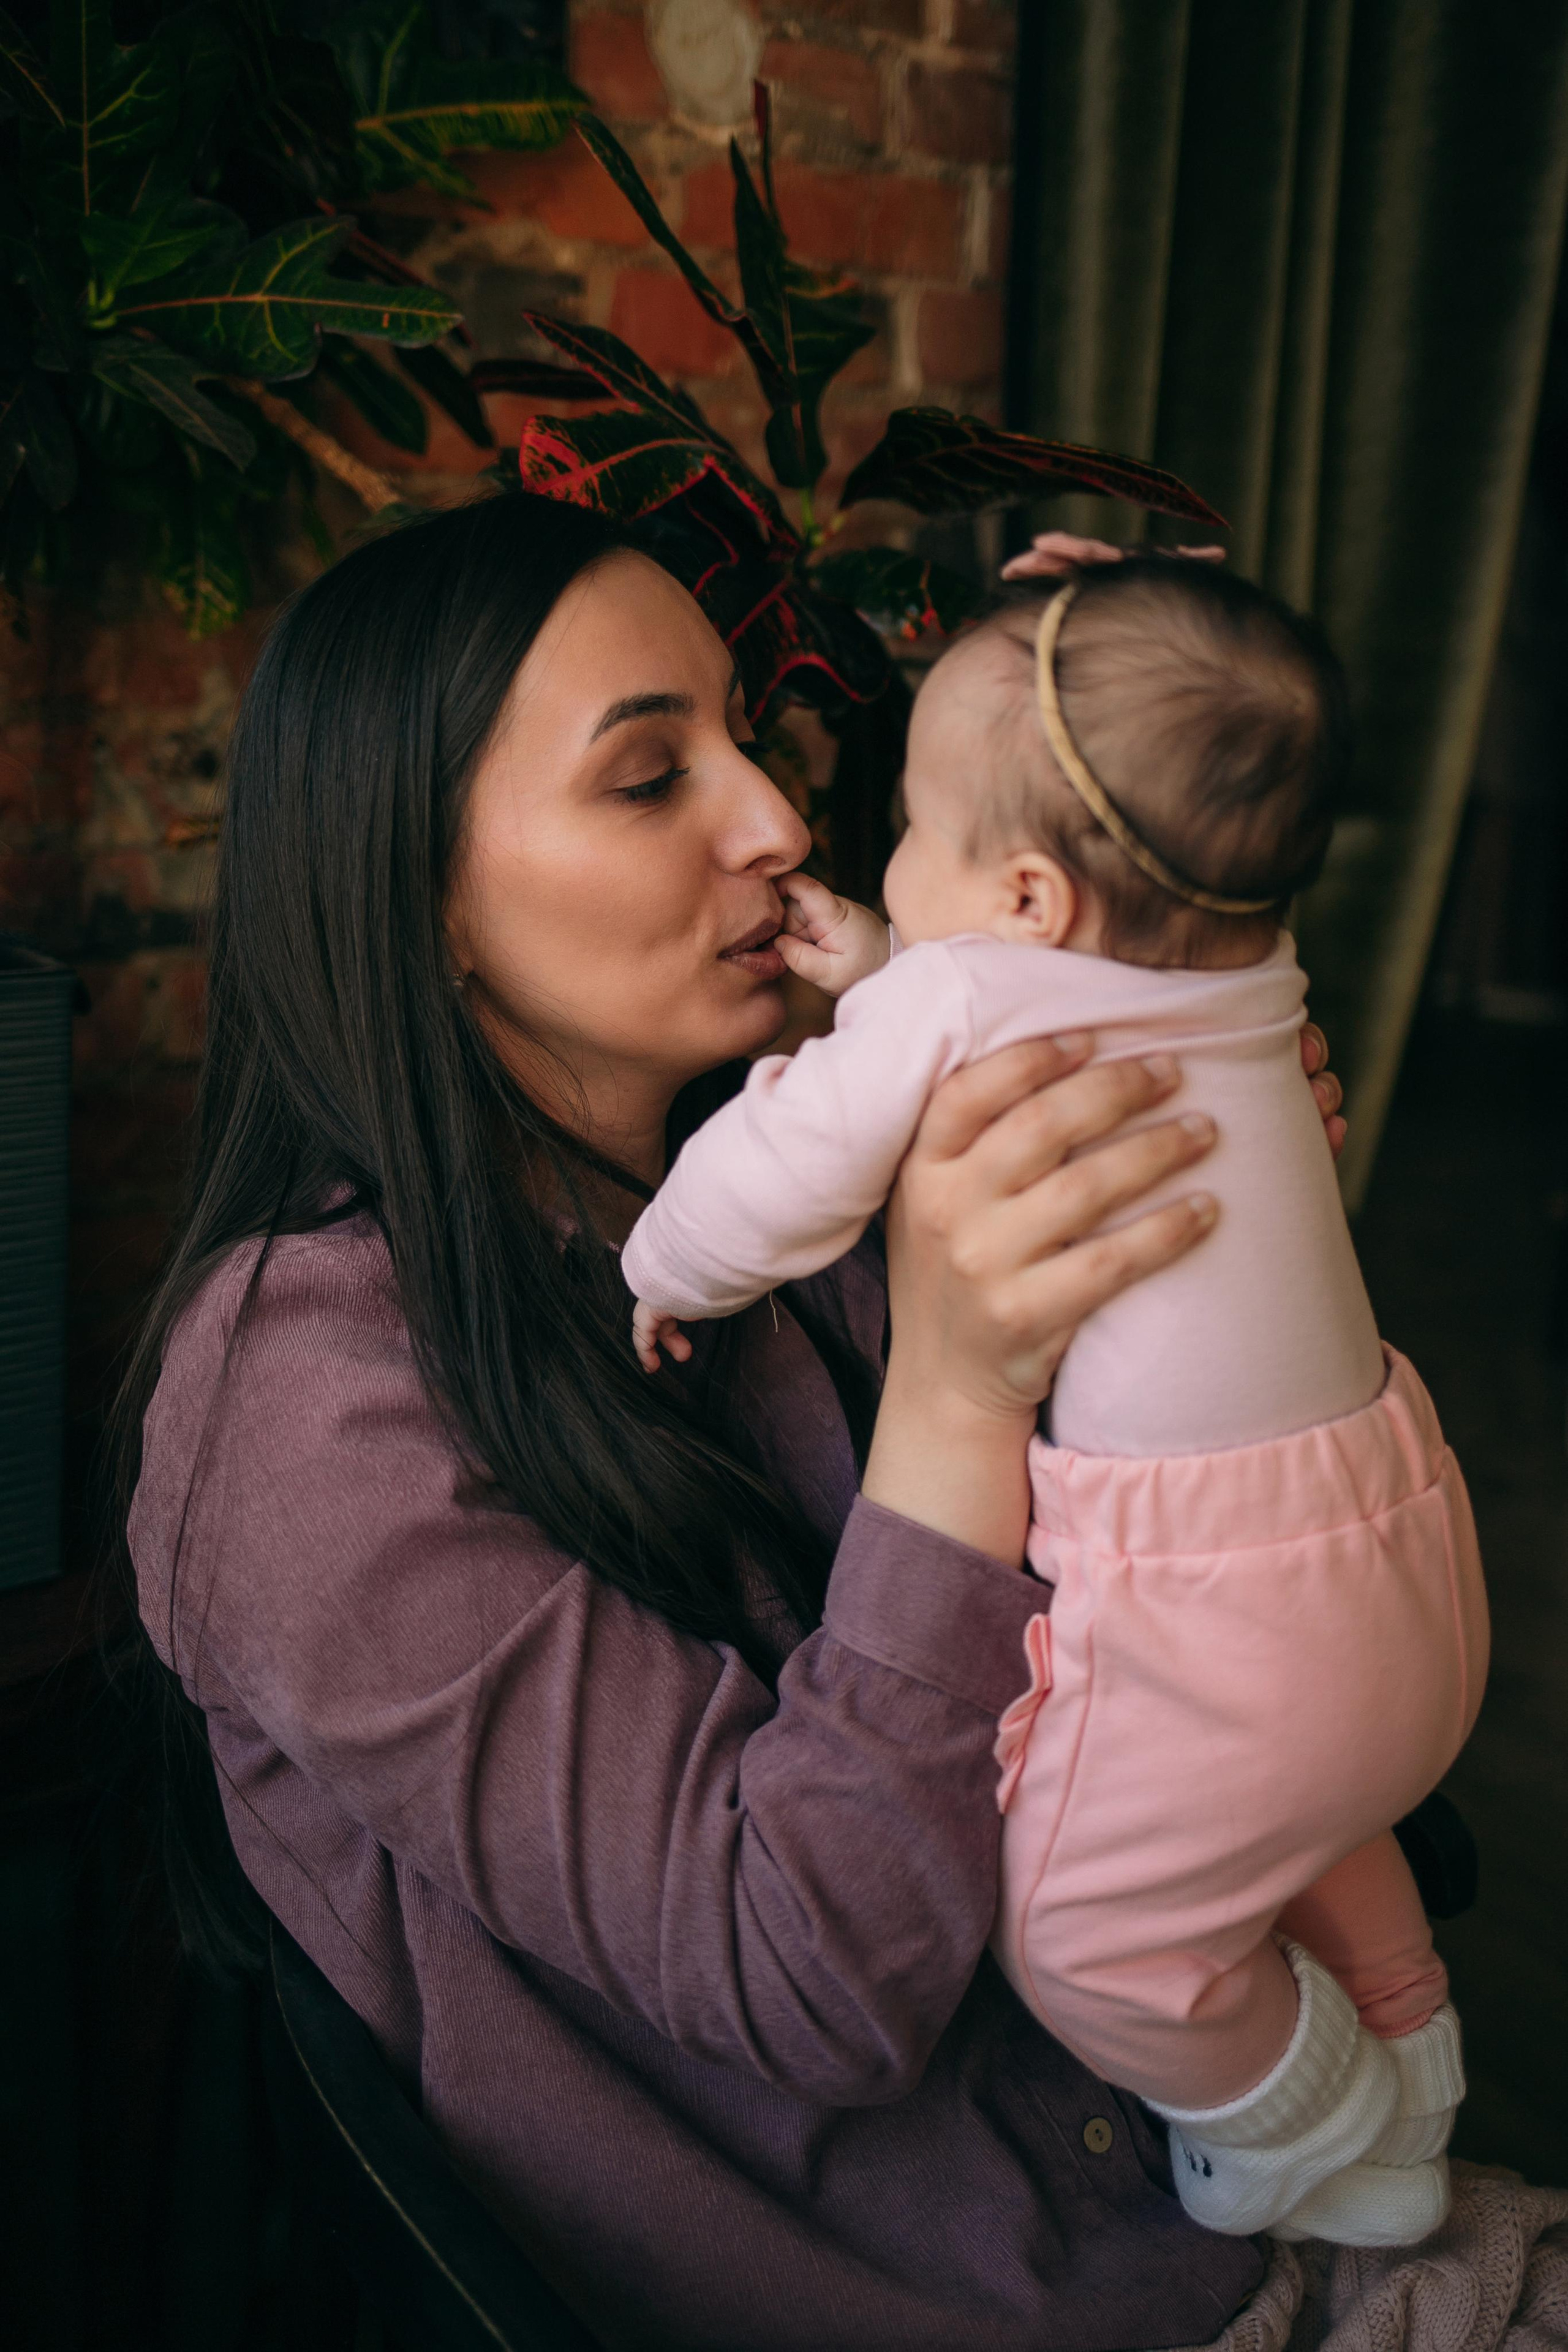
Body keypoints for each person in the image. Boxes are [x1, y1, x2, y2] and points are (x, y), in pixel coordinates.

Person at [123, 494, 1380, 2352]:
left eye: (748, 735)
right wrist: (958, 1388)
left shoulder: (787, 1194)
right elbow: (812, 1978)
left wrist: (1200, 1279)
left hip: (1224, 2211)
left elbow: (1163, 1669)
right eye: (650, 780)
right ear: (421, 896)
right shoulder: (298, 1401)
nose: (780, 820)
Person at [621, 556, 1488, 2252]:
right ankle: (1419, 2061)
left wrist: (670, 1261)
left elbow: (795, 1160)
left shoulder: (963, 995)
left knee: (1091, 1930)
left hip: (1209, 1612)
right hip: (1400, 1569)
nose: (853, 851)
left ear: (1023, 894)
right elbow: (1006, 985)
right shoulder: (1241, 963)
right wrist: (903, 948)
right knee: (1308, 1820)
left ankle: (1322, 2108)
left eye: (911, 832)